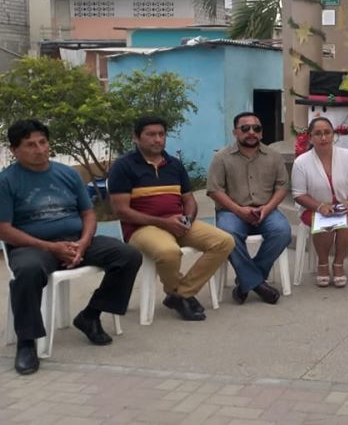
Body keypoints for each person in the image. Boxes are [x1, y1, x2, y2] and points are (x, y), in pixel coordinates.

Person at [0, 120, 142, 375]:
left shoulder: (67, 174)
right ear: (14, 150)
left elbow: (88, 213)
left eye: (43, 142)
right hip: (32, 246)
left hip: (76, 240)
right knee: (28, 271)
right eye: (30, 145)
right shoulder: (6, 181)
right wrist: (51, 247)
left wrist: (84, 243)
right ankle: (27, 342)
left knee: (128, 255)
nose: (40, 149)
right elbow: (4, 230)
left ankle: (90, 315)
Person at [109, 116, 234, 322]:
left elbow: (189, 199)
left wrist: (188, 219)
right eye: (151, 134)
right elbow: (121, 211)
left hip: (178, 222)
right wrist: (164, 223)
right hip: (142, 228)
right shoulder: (123, 166)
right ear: (136, 138)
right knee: (168, 252)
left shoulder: (174, 164)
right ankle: (181, 296)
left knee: (224, 241)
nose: (157, 139)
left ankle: (180, 294)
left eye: (161, 134)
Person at [207, 112, 291, 305]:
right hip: (231, 211)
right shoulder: (221, 157)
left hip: (266, 210)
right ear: (235, 132)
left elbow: (282, 187)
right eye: (245, 128)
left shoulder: (274, 156)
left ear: (261, 132)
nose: (251, 132)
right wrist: (238, 210)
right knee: (228, 235)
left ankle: (247, 281)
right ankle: (258, 284)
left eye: (256, 128)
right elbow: (214, 190)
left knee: (282, 231)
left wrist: (268, 208)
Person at [291, 117, 348, 288]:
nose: (323, 137)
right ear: (310, 138)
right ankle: (322, 263)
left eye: (327, 133)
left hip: (345, 206)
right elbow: (298, 194)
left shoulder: (347, 156)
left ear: (333, 135)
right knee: (324, 220)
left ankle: (338, 263)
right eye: (318, 134)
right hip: (313, 208)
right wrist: (320, 207)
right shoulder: (301, 162)